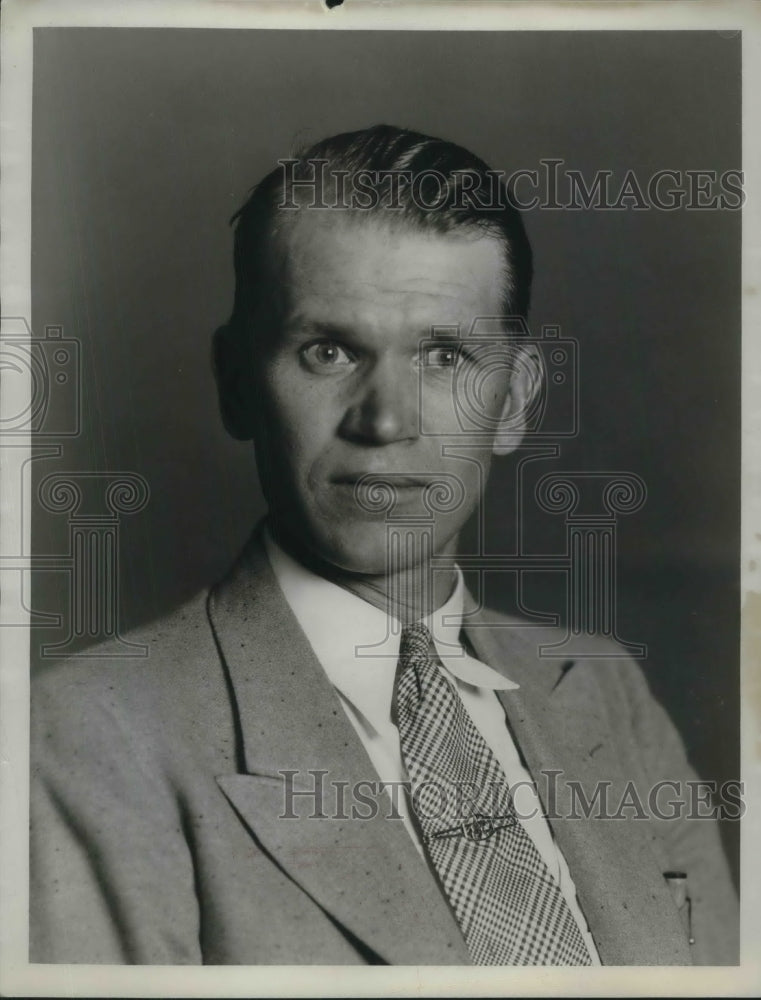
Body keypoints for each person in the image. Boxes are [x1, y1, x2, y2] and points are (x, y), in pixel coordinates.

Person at [30, 125, 738, 966]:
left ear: (513, 400)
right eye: (327, 351)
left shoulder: (605, 694)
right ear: (235, 383)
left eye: (443, 355)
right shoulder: (80, 740)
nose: (386, 420)